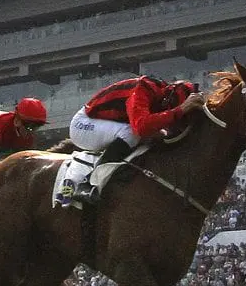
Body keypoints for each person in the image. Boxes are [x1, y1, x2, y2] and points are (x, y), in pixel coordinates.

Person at [69, 75, 205, 203]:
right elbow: (141, 127)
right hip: (84, 124)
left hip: (108, 124)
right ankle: (88, 183)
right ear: (167, 100)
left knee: (156, 136)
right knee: (131, 133)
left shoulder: (163, 96)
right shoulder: (143, 88)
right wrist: (180, 110)